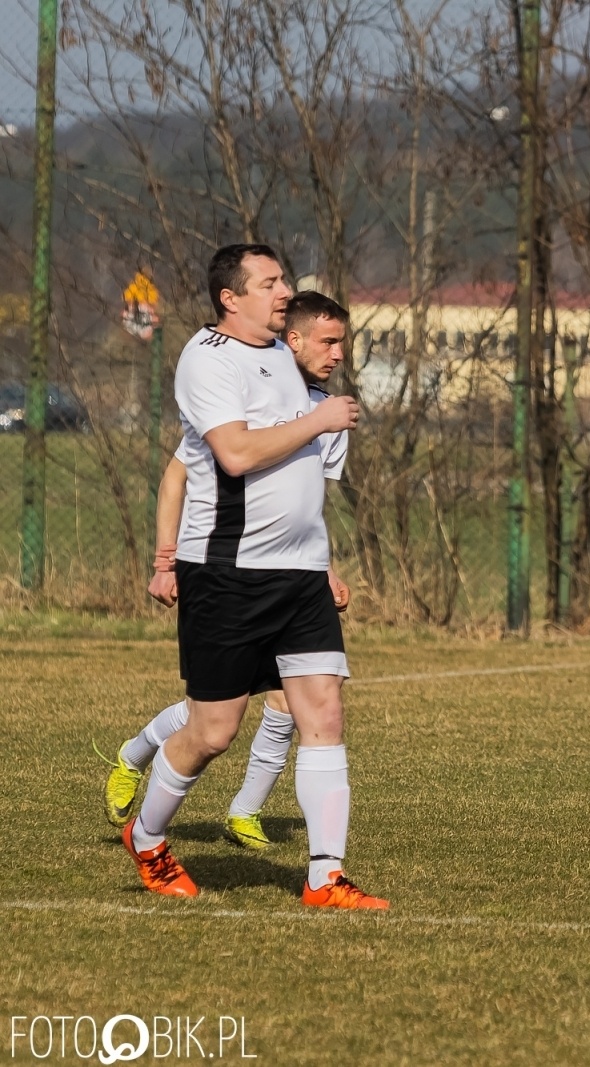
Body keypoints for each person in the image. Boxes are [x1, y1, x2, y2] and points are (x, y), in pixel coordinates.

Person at [119, 244, 384, 908]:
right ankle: (148, 837)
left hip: (299, 576)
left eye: (284, 280)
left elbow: (301, 483)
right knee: (213, 731)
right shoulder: (206, 359)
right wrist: (318, 418)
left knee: (322, 710)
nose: (284, 290)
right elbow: (233, 454)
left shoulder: (282, 357)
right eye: (270, 283)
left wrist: (323, 564)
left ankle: (325, 875)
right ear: (230, 298)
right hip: (227, 573)